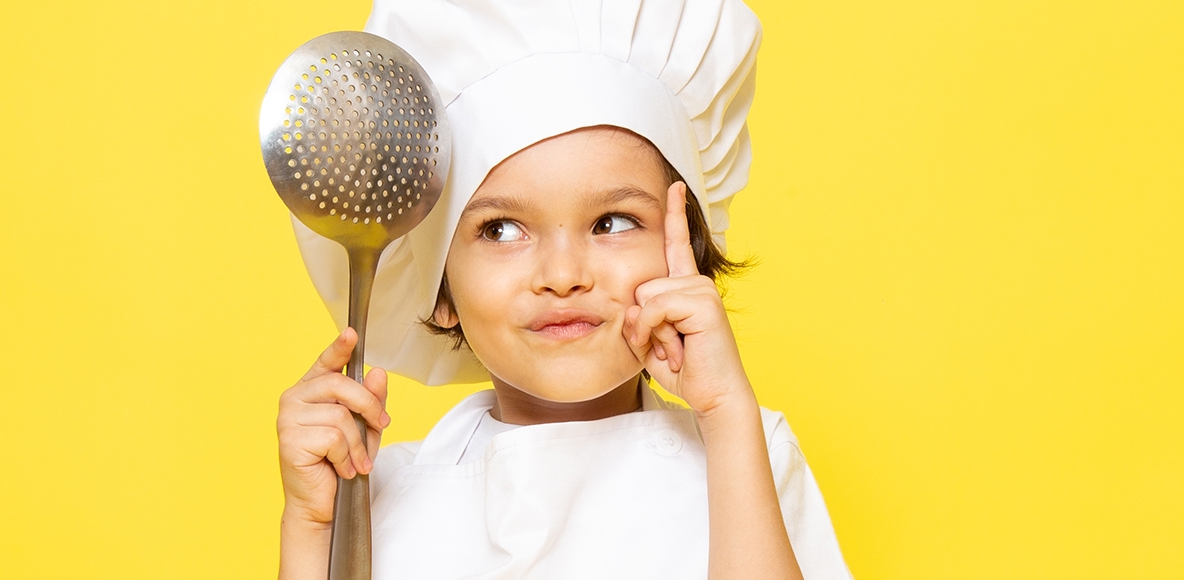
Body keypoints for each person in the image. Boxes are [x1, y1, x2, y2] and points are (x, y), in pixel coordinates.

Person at [274, 1, 850, 578]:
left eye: (613, 223)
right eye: (501, 230)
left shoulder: (747, 453)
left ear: (685, 255)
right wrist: (311, 526)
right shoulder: (376, 500)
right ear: (438, 291)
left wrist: (728, 417)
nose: (562, 272)